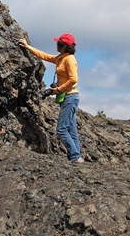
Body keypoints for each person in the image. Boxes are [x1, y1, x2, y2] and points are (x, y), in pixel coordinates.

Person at [18, 33, 83, 163]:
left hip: (70, 97)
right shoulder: (61, 58)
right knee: (71, 129)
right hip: (68, 97)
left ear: (64, 46)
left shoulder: (69, 59)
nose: (56, 45)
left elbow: (74, 79)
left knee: (61, 130)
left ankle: (75, 156)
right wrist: (28, 47)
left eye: (58, 43)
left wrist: (58, 89)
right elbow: (45, 56)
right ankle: (77, 157)